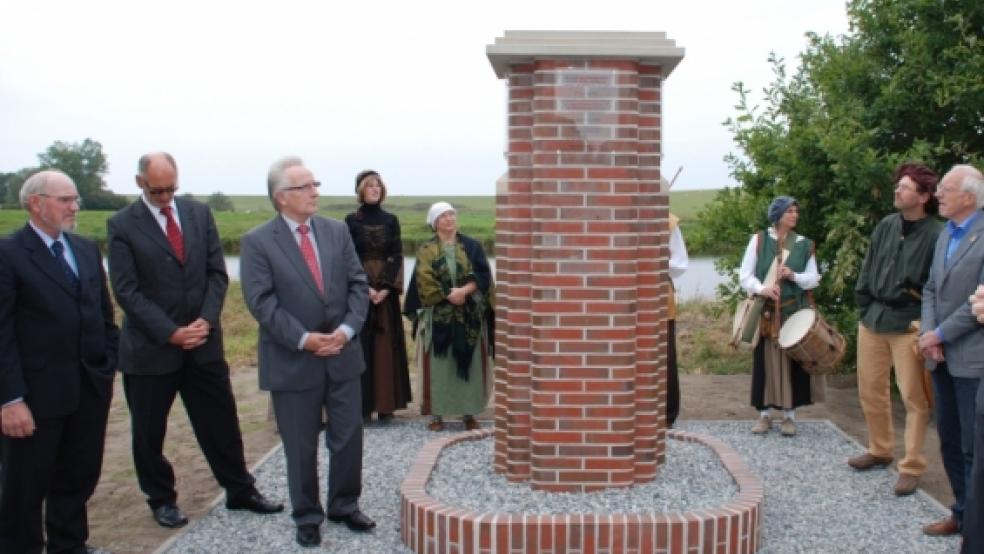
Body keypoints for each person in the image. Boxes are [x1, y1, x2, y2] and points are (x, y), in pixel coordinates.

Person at [107, 152, 282, 529]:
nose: (167, 197)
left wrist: (204, 320)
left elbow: (216, 274)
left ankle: (239, 489)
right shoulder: (121, 224)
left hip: (203, 343)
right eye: (158, 190)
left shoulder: (198, 214)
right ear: (140, 183)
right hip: (152, 351)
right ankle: (161, 499)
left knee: (221, 421)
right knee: (149, 431)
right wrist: (171, 331)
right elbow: (126, 290)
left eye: (172, 188)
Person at [240, 156, 374, 548]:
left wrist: (347, 330)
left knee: (348, 436)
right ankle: (307, 514)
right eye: (306, 186)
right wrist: (304, 339)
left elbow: (357, 283)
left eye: (315, 183)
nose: (315, 191)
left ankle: (344, 505)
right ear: (282, 197)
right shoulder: (257, 242)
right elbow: (261, 302)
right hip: (293, 358)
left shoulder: (336, 231)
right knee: (300, 443)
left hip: (343, 353)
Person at [0, 170, 119, 553]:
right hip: (36, 397)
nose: (74, 207)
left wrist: (106, 365)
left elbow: (103, 315)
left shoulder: (84, 248)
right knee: (25, 488)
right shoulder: (9, 254)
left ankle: (69, 545)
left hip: (87, 389)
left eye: (75, 200)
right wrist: (10, 399)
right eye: (65, 200)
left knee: (78, 476)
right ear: (36, 203)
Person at [849, 163, 942, 496]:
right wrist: (864, 306)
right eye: (898, 185)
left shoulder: (937, 233)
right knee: (870, 390)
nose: (897, 191)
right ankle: (879, 449)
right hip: (873, 318)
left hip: (909, 323)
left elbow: (937, 286)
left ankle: (912, 464)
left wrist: (927, 325)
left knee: (914, 398)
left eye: (904, 187)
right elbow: (868, 267)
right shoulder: (886, 225)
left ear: (924, 196)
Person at [918, 164, 984, 537]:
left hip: (972, 360)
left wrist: (940, 334)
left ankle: (977, 526)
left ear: (969, 197)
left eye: (946, 188)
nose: (938, 193)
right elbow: (930, 288)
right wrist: (930, 333)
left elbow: (979, 303)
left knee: (976, 448)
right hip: (939, 356)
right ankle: (960, 513)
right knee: (951, 441)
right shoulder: (946, 234)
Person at [404, 202, 494, 431]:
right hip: (438, 317)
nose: (449, 219)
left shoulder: (472, 246)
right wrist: (448, 296)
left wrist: (464, 292)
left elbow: (483, 274)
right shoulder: (426, 250)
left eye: (451, 214)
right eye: (443, 216)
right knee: (439, 367)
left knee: (470, 365)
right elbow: (424, 281)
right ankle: (437, 414)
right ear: (435, 223)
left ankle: (469, 412)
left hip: (470, 315)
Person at [740, 196, 824, 436]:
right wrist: (763, 289)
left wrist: (794, 276)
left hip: (793, 311)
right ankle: (764, 415)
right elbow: (745, 276)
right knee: (765, 363)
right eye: (790, 211)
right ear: (778, 216)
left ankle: (789, 417)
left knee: (792, 364)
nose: (795, 215)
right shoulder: (759, 240)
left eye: (796, 211)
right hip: (767, 312)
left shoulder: (804, 244)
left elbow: (814, 278)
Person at [345, 170, 411, 422]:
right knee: (361, 345)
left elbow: (396, 254)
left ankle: (386, 404)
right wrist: (365, 287)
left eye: (377, 185)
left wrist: (385, 287)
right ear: (360, 190)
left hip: (386, 292)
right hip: (359, 290)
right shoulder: (351, 221)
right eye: (369, 185)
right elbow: (349, 256)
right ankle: (363, 406)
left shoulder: (391, 220)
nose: (374, 189)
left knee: (385, 348)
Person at [666, 212, 689, 426]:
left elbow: (680, 263)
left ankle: (666, 414)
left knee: (665, 356)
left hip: (660, 296)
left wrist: (661, 261)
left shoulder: (669, 223)